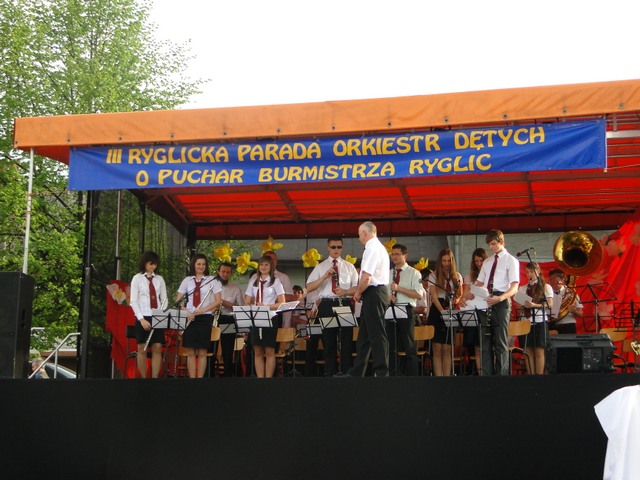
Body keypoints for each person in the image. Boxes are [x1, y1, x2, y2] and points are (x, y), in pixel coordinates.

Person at [306, 236, 359, 376]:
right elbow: (309, 287)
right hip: (327, 303)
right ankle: (330, 373)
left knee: (346, 341)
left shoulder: (349, 266)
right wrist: (324, 277)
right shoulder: (320, 266)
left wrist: (345, 291)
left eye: (339, 247)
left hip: (344, 302)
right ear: (328, 248)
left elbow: (357, 288)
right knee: (328, 341)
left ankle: (347, 373)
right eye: (333, 247)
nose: (336, 250)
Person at [344, 221, 390, 377]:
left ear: (364, 232)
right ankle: (357, 371)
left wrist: (358, 292)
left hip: (374, 291)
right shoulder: (377, 247)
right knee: (364, 335)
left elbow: (366, 277)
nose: (359, 238)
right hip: (374, 292)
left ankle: (382, 371)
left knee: (377, 333)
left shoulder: (372, 248)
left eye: (359, 234)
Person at [475, 229, 520, 376]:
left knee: (500, 341)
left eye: (494, 244)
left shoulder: (511, 260)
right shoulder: (487, 261)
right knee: (485, 341)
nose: (491, 247)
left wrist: (500, 298)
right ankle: (486, 376)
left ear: (502, 242)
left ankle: (502, 377)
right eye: (489, 244)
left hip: (501, 300)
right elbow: (480, 282)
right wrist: (471, 291)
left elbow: (514, 287)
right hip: (486, 298)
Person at [176, 254, 222, 378]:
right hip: (190, 317)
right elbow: (178, 300)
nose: (201, 266)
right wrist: (187, 312)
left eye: (203, 264)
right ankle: (192, 380)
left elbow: (218, 301)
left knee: (202, 351)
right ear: (194, 265)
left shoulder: (212, 280)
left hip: (205, 317)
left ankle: (200, 380)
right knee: (191, 351)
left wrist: (203, 310)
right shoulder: (187, 280)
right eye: (198, 264)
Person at [244, 255, 286, 378]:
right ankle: (260, 379)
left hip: (270, 317)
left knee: (269, 351)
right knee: (257, 351)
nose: (263, 267)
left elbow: (282, 303)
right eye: (261, 264)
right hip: (256, 317)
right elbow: (247, 301)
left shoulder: (276, 281)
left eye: (266, 264)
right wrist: (252, 306)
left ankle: (268, 379)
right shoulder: (253, 281)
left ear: (271, 267)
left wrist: (266, 306)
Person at [130, 251, 168, 378]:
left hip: (157, 316)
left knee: (157, 347)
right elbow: (133, 301)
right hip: (142, 316)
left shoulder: (159, 279)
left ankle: (155, 378)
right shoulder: (137, 278)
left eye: (155, 264)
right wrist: (141, 319)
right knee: (142, 348)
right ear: (145, 263)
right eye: (151, 264)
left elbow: (164, 299)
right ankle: (143, 378)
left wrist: (160, 314)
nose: (153, 267)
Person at [388, 243, 424, 376]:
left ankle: (412, 377)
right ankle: (393, 375)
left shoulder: (413, 273)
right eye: (393, 254)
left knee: (409, 346)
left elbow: (418, 294)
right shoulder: (388, 273)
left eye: (397, 254)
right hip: (390, 310)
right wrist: (388, 298)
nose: (394, 257)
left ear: (405, 255)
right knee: (391, 346)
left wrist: (399, 289)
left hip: (406, 310)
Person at [427, 248, 463, 376]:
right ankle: (439, 378)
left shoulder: (457, 276)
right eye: (444, 261)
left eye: (448, 261)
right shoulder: (433, 276)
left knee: (447, 348)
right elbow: (434, 297)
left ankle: (447, 377)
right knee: (437, 349)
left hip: (450, 309)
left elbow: (459, 294)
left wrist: (455, 301)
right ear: (440, 261)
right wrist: (442, 311)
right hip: (437, 310)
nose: (446, 264)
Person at [515, 262, 553, 374]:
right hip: (526, 321)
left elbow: (550, 304)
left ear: (538, 271)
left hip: (539, 320)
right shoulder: (523, 288)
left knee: (539, 351)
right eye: (527, 272)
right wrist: (522, 304)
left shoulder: (545, 287)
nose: (529, 274)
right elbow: (518, 305)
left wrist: (534, 305)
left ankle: (539, 376)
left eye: (532, 271)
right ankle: (531, 375)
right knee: (528, 351)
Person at [461, 247, 488, 373]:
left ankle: (490, 373)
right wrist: (467, 295)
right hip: (473, 313)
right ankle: (480, 373)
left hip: (486, 312)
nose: (479, 263)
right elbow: (464, 295)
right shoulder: (470, 276)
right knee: (477, 348)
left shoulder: (490, 274)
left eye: (481, 261)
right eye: (476, 261)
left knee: (487, 347)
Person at [216, 261, 245, 377]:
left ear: (230, 274)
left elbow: (241, 308)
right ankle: (209, 375)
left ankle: (227, 376)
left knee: (227, 349)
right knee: (211, 347)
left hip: (227, 318)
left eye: (228, 272)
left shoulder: (235, 288)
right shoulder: (211, 286)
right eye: (223, 271)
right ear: (218, 272)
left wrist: (226, 303)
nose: (225, 274)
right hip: (213, 318)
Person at [548, 268, 583, 334]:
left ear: (562, 279)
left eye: (554, 279)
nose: (551, 281)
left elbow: (581, 313)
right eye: (550, 279)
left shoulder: (571, 293)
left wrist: (574, 311)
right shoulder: (548, 294)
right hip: (551, 325)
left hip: (568, 325)